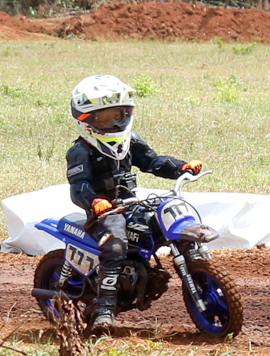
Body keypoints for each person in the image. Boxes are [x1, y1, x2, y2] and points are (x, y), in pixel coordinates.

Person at [66, 75, 202, 330]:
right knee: (116, 243)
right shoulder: (80, 151)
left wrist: (181, 167)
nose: (115, 123)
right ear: (85, 120)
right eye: (105, 118)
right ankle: (104, 309)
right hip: (104, 212)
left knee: (164, 223)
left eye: (120, 115)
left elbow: (153, 161)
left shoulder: (131, 140)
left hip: (130, 203)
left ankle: (190, 266)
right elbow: (78, 186)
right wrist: (95, 201)